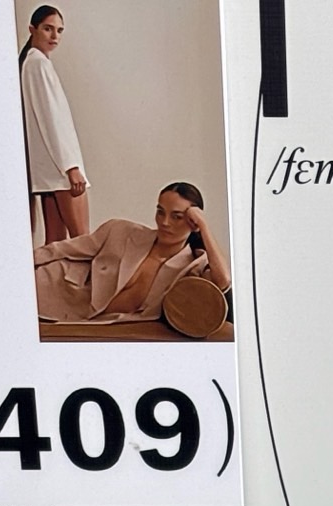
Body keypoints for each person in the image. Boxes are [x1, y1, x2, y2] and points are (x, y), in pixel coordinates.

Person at [34, 183, 231, 325]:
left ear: (193, 223)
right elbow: (61, 249)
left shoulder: (192, 267)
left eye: (177, 217)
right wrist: (21, 264)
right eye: (160, 212)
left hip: (93, 323)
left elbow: (223, 281)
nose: (164, 222)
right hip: (56, 289)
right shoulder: (120, 230)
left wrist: (205, 227)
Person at [20, 7, 89, 243]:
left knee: (56, 245)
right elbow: (51, 120)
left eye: (59, 31)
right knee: (83, 243)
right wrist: (71, 167)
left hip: (51, 172)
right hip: (62, 170)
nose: (54, 36)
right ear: (32, 30)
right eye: (48, 29)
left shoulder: (33, 63)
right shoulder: (38, 64)